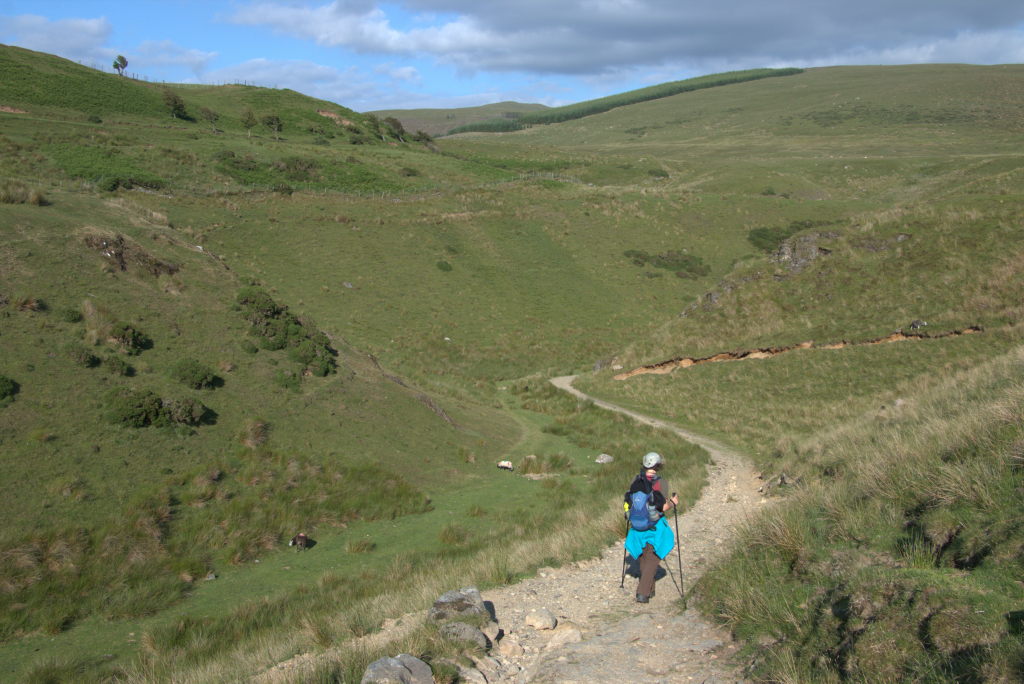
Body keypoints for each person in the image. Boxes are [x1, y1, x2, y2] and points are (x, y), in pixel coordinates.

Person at [624, 451, 679, 603]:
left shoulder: (635, 480)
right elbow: (662, 508)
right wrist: (673, 502)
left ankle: (650, 589)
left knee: (644, 558)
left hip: (636, 526)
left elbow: (630, 501)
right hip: (654, 527)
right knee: (653, 559)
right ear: (658, 465)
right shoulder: (661, 483)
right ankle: (642, 593)